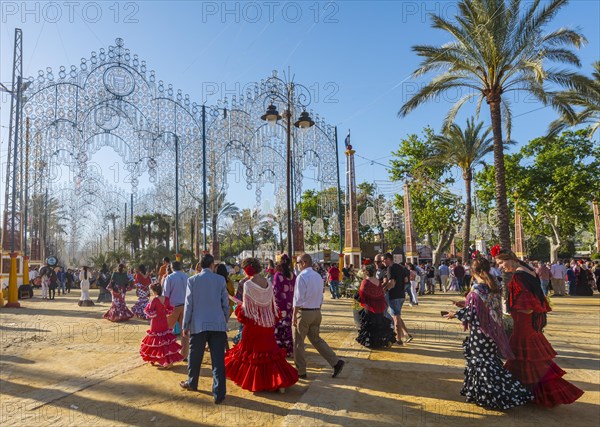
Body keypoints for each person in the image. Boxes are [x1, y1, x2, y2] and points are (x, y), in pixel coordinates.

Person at [496, 251, 584, 407]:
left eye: (501, 263)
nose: (500, 267)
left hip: (524, 324)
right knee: (528, 359)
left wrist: (507, 310)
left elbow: (528, 307)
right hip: (531, 324)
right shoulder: (528, 270)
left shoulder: (519, 275)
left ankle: (526, 393)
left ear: (510, 259)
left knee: (527, 358)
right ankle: (525, 393)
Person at [445, 258, 533, 409]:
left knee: (480, 363)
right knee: (490, 362)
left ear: (473, 272)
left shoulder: (477, 289)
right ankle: (500, 392)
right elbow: (483, 308)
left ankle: (490, 395)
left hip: (480, 333)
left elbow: (472, 313)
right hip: (492, 332)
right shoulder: (493, 287)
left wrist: (455, 314)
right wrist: (464, 304)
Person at [225, 257, 298, 393]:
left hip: (254, 325)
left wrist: (237, 307)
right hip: (267, 324)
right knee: (269, 353)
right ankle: (279, 382)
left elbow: (247, 309)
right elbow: (271, 305)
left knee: (252, 354)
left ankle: (255, 382)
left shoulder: (248, 284)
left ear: (247, 270)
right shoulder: (268, 283)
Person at [179, 254, 229, 404]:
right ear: (212, 265)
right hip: (218, 325)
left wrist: (185, 325)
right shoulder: (220, 280)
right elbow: (225, 303)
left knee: (195, 357)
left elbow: (188, 305)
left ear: (199, 266)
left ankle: (192, 382)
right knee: (218, 360)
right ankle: (219, 393)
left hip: (198, 324)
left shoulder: (192, 280)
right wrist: (223, 319)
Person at [293, 253, 345, 379]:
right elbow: (321, 295)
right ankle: (335, 362)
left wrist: (294, 314)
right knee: (316, 339)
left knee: (298, 342)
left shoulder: (302, 277)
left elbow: (298, 298)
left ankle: (301, 371)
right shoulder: (317, 276)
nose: (297, 265)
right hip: (316, 311)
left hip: (304, 312)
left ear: (304, 263)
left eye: (298, 263)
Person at [140, 282, 184, 368]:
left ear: (154, 291)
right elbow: (170, 309)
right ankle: (168, 361)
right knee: (165, 340)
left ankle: (155, 358)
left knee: (155, 341)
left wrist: (155, 313)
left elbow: (149, 311)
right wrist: (162, 312)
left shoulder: (154, 300)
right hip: (164, 321)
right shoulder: (166, 299)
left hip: (156, 322)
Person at [356, 263, 396, 348]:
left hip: (370, 306)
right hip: (379, 305)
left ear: (365, 272)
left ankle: (372, 343)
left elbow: (362, 295)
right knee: (379, 323)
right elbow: (380, 292)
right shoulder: (378, 281)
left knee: (370, 324)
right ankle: (380, 342)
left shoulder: (365, 282)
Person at [382, 253, 413, 345]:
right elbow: (406, 280)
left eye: (384, 259)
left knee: (396, 318)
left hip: (394, 295)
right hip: (401, 295)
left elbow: (391, 282)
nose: (383, 262)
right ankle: (406, 334)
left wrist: (384, 289)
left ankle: (399, 339)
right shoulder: (401, 267)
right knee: (398, 316)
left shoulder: (390, 268)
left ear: (389, 259)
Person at [164, 261, 190, 360]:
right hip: (185, 306)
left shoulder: (169, 278)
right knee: (185, 332)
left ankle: (168, 353)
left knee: (167, 331)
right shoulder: (187, 277)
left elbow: (166, 295)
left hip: (173, 307)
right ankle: (185, 355)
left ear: (171, 267)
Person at [272, 254, 296, 357]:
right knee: (288, 328)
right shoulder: (293, 275)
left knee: (279, 328)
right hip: (290, 305)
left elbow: (275, 291)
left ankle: (280, 350)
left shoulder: (278, 275)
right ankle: (289, 350)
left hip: (280, 306)